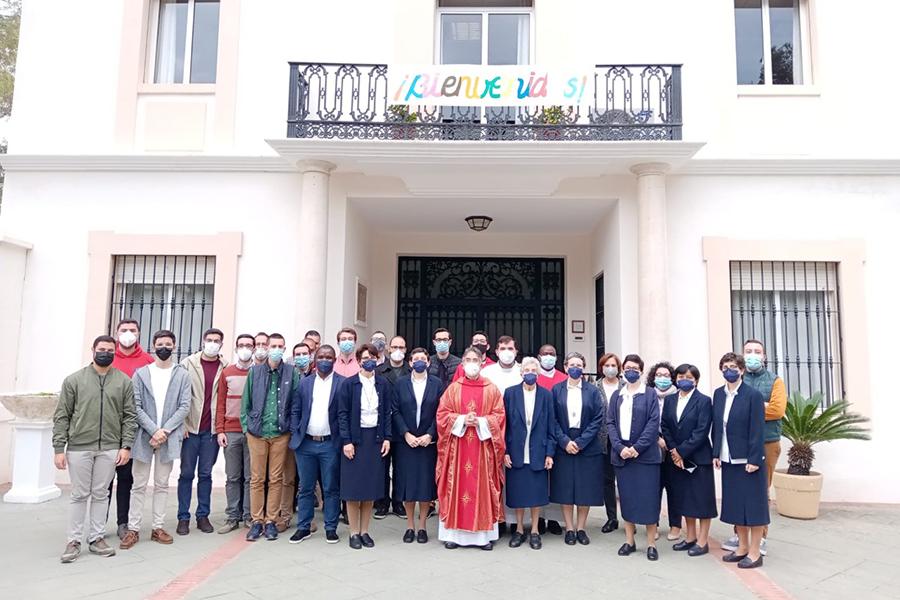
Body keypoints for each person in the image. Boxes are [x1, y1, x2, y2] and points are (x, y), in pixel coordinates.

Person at [53, 335, 137, 563]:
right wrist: (59, 447)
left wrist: (126, 446)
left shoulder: (123, 381)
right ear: (93, 350)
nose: (106, 353)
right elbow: (62, 416)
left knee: (101, 494)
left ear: (115, 352)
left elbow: (130, 417)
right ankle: (73, 541)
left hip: (110, 448)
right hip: (79, 447)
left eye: (110, 350)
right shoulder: (74, 380)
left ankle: (97, 537)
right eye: (102, 349)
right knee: (79, 495)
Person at [120, 330, 191, 549]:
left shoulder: (182, 375)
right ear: (153, 346)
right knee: (138, 484)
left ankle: (157, 527)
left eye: (168, 344)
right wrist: (153, 430)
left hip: (167, 438)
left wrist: (165, 431)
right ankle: (133, 529)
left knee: (162, 484)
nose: (164, 347)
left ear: (175, 346)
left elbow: (184, 406)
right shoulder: (141, 373)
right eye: (160, 344)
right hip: (144, 437)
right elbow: (136, 405)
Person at [436, 346, 506, 550]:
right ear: (463, 363)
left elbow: (500, 416)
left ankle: (483, 537)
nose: (472, 363)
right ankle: (453, 535)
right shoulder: (454, 388)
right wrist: (461, 419)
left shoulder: (491, 389)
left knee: (483, 487)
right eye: (468, 359)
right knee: (456, 486)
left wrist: (483, 422)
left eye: (475, 359)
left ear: (482, 361)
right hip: (458, 448)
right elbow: (442, 415)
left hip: (482, 449)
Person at [721, 339, 786, 556]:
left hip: (767, 442)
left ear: (764, 356)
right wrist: (756, 408)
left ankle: (761, 537)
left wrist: (751, 410)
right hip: (738, 445)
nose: (752, 355)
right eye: (748, 351)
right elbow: (728, 412)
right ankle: (740, 535)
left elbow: (777, 410)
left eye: (757, 351)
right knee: (739, 491)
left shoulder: (775, 381)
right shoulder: (738, 379)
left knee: (759, 490)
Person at [712, 352, 769, 569]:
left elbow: (757, 430)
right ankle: (742, 547)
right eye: (725, 366)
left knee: (753, 507)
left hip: (748, 460)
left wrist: (755, 458)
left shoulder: (752, 395)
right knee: (736, 506)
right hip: (728, 458)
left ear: (742, 370)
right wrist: (716, 453)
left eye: (734, 366)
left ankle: (755, 552)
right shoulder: (718, 395)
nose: (729, 370)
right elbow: (718, 427)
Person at [241, 333, 297, 542]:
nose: (275, 349)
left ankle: (271, 520)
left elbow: (295, 403)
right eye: (272, 345)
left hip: (280, 434)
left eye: (279, 346)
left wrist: (289, 427)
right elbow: (245, 404)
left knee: (276, 479)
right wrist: (248, 428)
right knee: (257, 478)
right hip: (257, 433)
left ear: (284, 349)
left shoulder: (291, 373)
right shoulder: (254, 372)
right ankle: (257, 521)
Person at [338, 344, 393, 549]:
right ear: (359, 360)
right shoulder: (349, 384)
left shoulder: (383, 384)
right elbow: (342, 414)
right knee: (354, 489)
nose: (368, 360)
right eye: (364, 357)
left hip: (375, 440)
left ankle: (365, 531)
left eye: (372, 357)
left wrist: (387, 437)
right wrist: (347, 441)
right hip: (355, 440)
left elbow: (387, 411)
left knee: (370, 488)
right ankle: (353, 532)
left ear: (377, 359)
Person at [608, 354, 662, 561]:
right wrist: (620, 447)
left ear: (640, 370)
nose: (631, 371)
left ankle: (651, 543)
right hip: (622, 457)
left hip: (645, 457)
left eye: (635, 368)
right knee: (627, 499)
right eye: (627, 367)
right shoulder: (617, 396)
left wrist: (636, 448)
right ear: (623, 369)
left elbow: (652, 424)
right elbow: (610, 423)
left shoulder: (649, 395)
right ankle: (629, 540)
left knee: (648, 500)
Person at [289, 345, 345, 545]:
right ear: (315, 358)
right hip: (305, 444)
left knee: (331, 487)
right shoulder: (304, 383)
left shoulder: (342, 383)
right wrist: (296, 430)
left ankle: (331, 527)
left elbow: (344, 414)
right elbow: (295, 409)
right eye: (321, 356)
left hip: (330, 444)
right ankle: (303, 527)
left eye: (329, 357)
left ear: (334, 359)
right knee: (305, 487)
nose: (324, 360)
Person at [549, 352, 605, 546]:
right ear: (565, 367)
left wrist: (581, 442)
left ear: (583, 368)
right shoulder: (556, 390)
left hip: (586, 445)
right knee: (565, 488)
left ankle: (581, 528)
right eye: (572, 365)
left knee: (584, 488)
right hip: (564, 444)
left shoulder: (592, 391)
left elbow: (598, 418)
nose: (575, 368)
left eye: (579, 365)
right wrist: (565, 441)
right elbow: (552, 419)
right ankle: (570, 528)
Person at [661, 364, 716, 557]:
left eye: (689, 377)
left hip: (698, 458)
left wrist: (681, 451)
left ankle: (702, 541)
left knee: (702, 500)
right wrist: (673, 450)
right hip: (676, 459)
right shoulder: (669, 400)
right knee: (684, 499)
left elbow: (701, 431)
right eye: (681, 376)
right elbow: (665, 426)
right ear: (676, 379)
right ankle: (690, 537)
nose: (685, 379)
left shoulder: (703, 401)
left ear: (696, 381)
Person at [177, 328, 227, 536]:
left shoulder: (225, 366)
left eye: (217, 341)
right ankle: (183, 517)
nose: (213, 343)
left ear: (221, 344)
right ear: (203, 341)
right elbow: (178, 395)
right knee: (186, 473)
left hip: (212, 431)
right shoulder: (187, 364)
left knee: (205, 474)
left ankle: (202, 515)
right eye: (209, 340)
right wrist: (181, 424)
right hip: (190, 429)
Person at [108, 319, 153, 540]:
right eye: (124, 330)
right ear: (117, 334)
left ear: (139, 334)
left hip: (133, 430)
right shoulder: (108, 358)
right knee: (103, 481)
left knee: (126, 479)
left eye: (132, 330)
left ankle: (123, 523)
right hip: (107, 429)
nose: (128, 334)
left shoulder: (147, 361)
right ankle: (98, 525)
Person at [504, 357, 555, 550]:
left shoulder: (546, 395)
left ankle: (534, 530)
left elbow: (551, 426)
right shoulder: (510, 394)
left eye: (534, 370)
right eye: (527, 369)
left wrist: (549, 453)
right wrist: (505, 452)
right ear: (521, 372)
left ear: (538, 373)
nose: (530, 373)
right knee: (518, 494)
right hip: (516, 450)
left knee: (536, 494)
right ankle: (518, 529)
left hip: (538, 451)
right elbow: (504, 425)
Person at [392, 348, 442, 544]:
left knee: (424, 485)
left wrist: (430, 434)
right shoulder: (401, 382)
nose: (419, 362)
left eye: (423, 359)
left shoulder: (436, 383)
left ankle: (422, 526)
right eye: (416, 359)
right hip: (407, 442)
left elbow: (441, 411)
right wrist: (406, 433)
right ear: (410, 363)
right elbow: (395, 410)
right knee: (408, 485)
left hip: (427, 443)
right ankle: (410, 526)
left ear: (428, 363)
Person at [374, 334, 411, 518]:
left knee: (401, 467)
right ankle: (382, 503)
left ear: (405, 350)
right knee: (382, 465)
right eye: (394, 347)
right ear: (389, 349)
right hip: (383, 425)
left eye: (401, 347)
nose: (398, 351)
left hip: (403, 427)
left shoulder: (410, 371)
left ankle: (398, 502)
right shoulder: (379, 370)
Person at [648, 360, 682, 541]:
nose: (662, 379)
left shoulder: (678, 396)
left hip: (674, 448)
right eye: (659, 375)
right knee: (653, 488)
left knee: (674, 487)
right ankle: (653, 524)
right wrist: (656, 439)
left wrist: (669, 443)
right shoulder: (647, 395)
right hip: (651, 447)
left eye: (666, 375)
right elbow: (643, 421)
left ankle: (676, 525)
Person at [595, 352, 623, 534]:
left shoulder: (626, 386)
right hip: (603, 440)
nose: (610, 368)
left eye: (613, 365)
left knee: (626, 480)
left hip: (623, 440)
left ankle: (630, 517)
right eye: (607, 365)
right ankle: (612, 518)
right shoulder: (595, 387)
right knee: (607, 481)